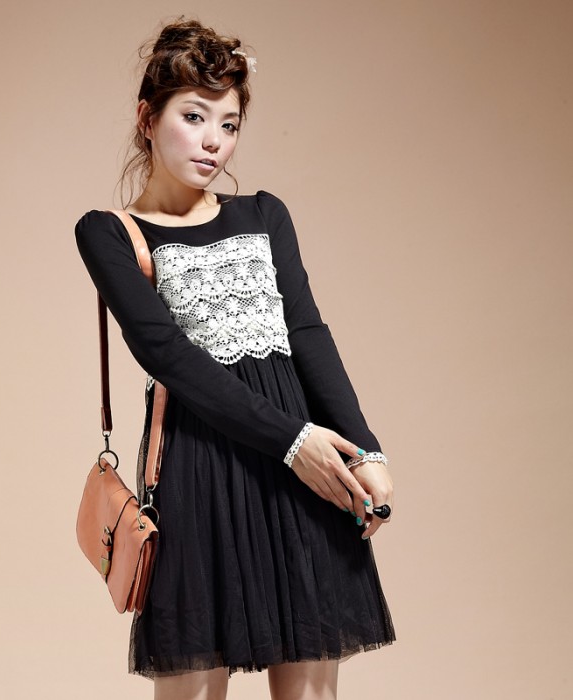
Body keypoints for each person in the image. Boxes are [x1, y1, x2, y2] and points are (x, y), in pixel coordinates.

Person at [75, 17, 395, 700]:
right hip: (202, 471)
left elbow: (307, 333)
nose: (213, 140)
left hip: (306, 474)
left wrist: (364, 449)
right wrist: (294, 442)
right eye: (194, 117)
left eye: (229, 124)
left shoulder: (264, 214)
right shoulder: (109, 234)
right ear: (147, 118)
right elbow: (167, 356)